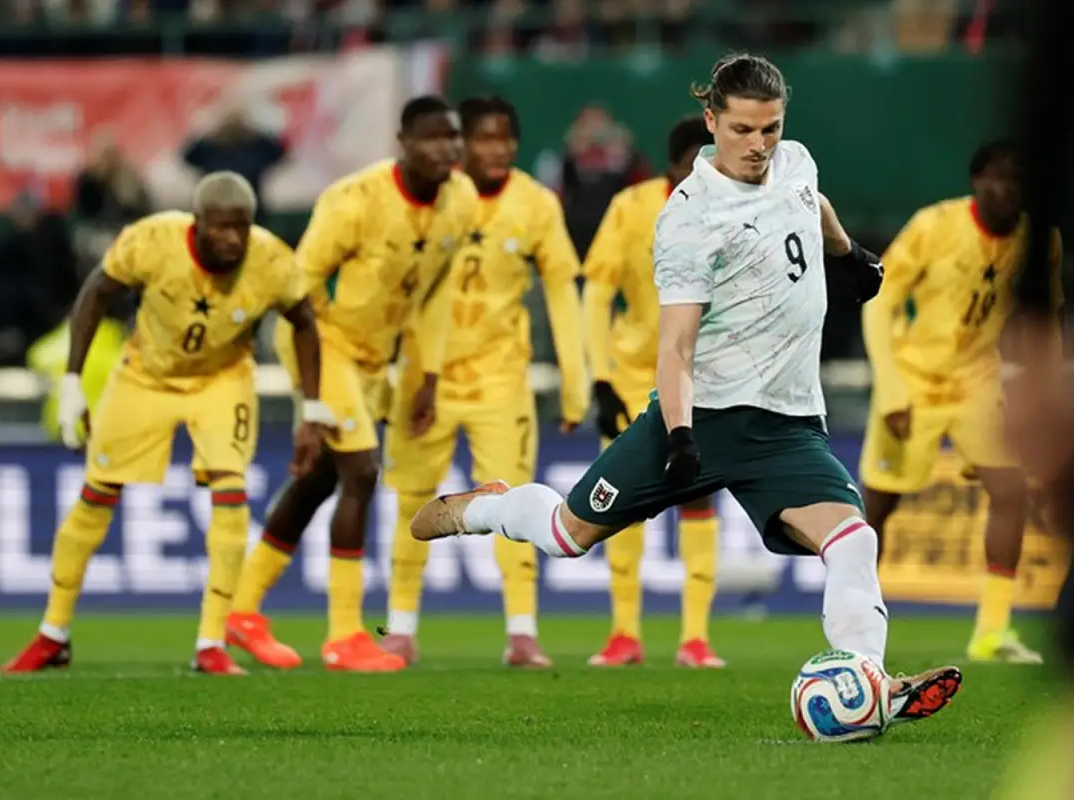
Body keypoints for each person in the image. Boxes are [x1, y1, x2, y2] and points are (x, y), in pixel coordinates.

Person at [410, 53, 961, 726]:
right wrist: (677, 434)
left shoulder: (796, 162)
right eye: (743, 131)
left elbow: (810, 201)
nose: (759, 146)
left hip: (786, 426)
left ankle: (869, 681)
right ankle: (488, 507)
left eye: (771, 129)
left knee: (852, 539)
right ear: (711, 122)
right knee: (566, 533)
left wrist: (847, 256)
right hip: (702, 417)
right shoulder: (689, 219)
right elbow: (675, 345)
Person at [1, 171, 329, 676]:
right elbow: (96, 293)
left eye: (242, 227)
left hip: (221, 379)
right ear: (197, 225)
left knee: (230, 493)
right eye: (222, 228)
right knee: (97, 494)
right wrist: (71, 382)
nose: (234, 239)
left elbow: (304, 321)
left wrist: (310, 410)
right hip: (146, 376)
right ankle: (53, 634)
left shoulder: (270, 259)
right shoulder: (152, 240)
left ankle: (211, 643)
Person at [225, 96, 479, 673]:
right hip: (322, 342)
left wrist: (428, 374)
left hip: (372, 360)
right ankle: (343, 635)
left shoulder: (460, 201)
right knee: (362, 469)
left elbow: (436, 292)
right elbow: (297, 289)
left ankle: (240, 611)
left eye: (452, 138)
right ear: (402, 141)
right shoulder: (354, 200)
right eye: (431, 138)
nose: (445, 149)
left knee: (319, 480)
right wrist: (315, 399)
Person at [378, 97, 588, 668]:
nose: (497, 150)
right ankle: (399, 628)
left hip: (500, 379)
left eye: (506, 139)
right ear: (459, 144)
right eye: (484, 139)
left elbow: (563, 288)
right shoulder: (436, 203)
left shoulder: (536, 204)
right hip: (428, 379)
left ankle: (522, 632)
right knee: (410, 501)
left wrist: (576, 380)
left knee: (513, 500)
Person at [859, 139, 1063, 664]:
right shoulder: (935, 225)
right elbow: (879, 300)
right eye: (995, 177)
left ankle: (992, 633)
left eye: (1016, 180)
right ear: (976, 180)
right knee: (877, 508)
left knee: (1011, 490)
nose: (1005, 189)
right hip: (915, 380)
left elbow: (1046, 324)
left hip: (978, 382)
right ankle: (855, 628)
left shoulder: (1042, 243)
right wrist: (891, 388)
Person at [582, 115, 725, 668]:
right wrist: (597, 376)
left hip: (701, 373)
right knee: (617, 498)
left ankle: (694, 638)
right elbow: (597, 290)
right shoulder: (633, 207)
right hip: (631, 373)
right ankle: (624, 633)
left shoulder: (737, 210)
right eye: (697, 162)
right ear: (673, 165)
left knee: (697, 492)